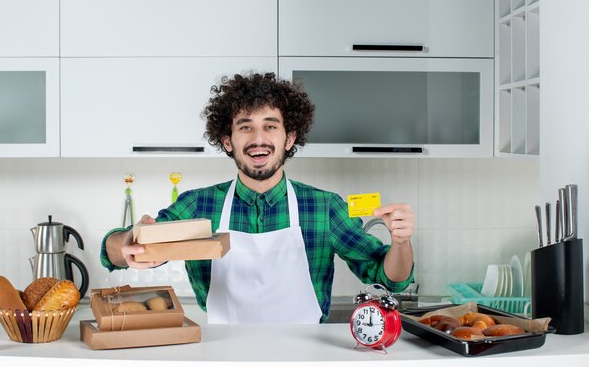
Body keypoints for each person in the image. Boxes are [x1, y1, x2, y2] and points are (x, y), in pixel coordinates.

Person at [101, 72, 415, 324]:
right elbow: (116, 251)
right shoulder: (198, 206)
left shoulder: (325, 207)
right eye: (245, 127)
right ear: (227, 141)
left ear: (289, 138)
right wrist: (127, 240)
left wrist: (401, 242)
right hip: (222, 357)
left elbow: (391, 278)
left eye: (270, 126)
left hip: (304, 359)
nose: (258, 139)